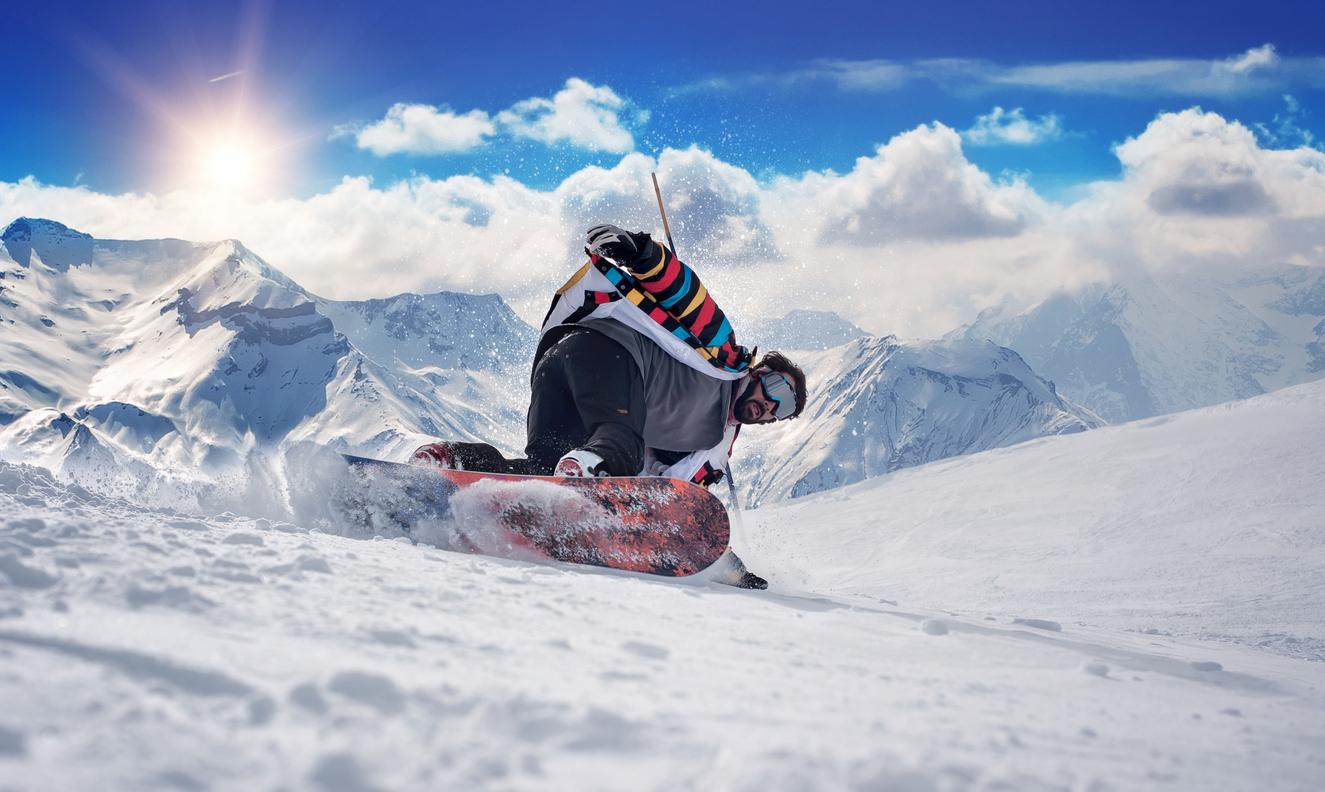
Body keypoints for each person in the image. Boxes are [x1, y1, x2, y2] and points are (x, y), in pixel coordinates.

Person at [412, 224, 808, 589]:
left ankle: (453, 463)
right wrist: (640, 251)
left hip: (556, 369)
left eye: (782, 408)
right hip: (607, 349)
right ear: (758, 371)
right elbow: (686, 295)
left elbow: (680, 509)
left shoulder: (708, 450)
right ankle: (588, 468)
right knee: (619, 446)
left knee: (540, 475)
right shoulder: (722, 356)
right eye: (775, 387)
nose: (769, 405)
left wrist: (732, 572)